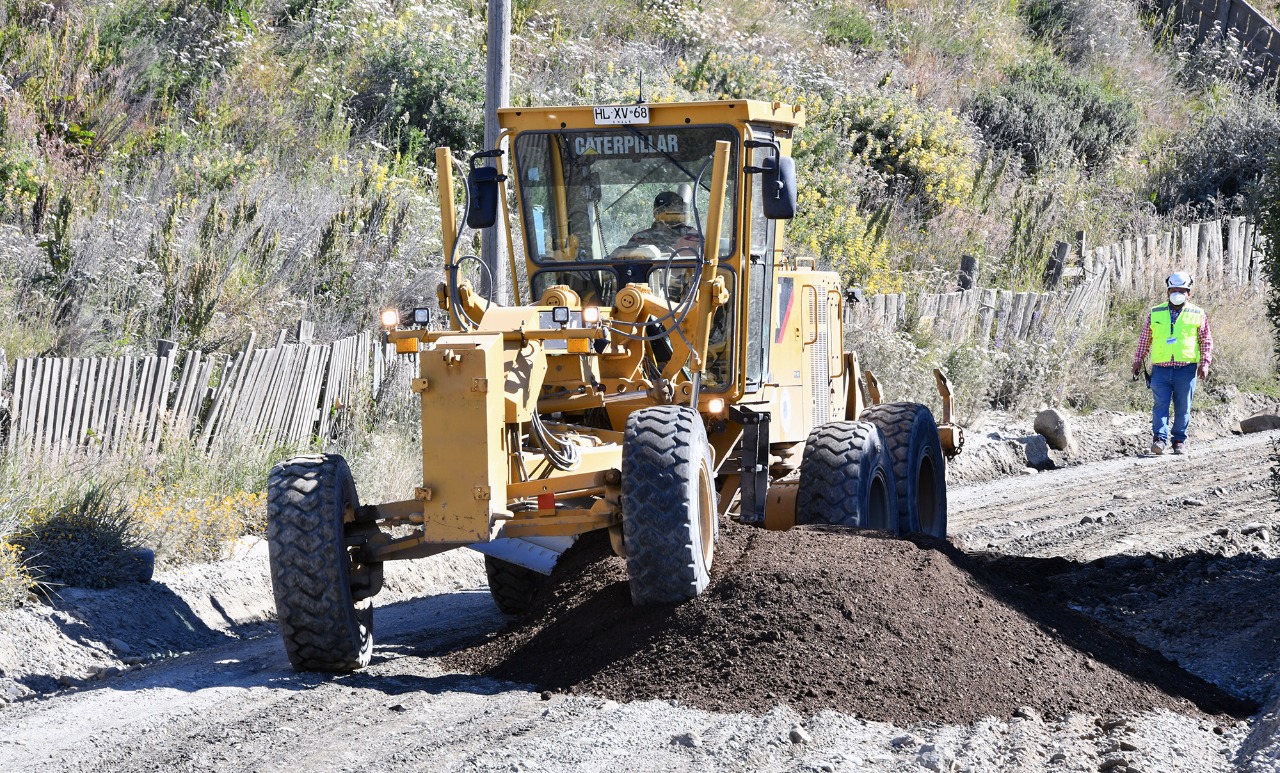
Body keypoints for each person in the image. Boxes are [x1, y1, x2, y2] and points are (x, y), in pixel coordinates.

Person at [1131, 271, 1213, 455]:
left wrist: (1204, 363)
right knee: (1160, 405)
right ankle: (1159, 440)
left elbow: (1205, 340)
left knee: (1183, 407)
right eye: (1174, 290)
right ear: (1168, 292)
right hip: (1161, 369)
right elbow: (1145, 338)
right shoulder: (1156, 312)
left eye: (1182, 290)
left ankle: (1178, 441)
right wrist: (1138, 360)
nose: (1177, 293)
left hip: (1186, 369)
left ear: (1189, 293)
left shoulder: (1197, 313)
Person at [617, 191, 700, 255]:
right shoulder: (639, 239)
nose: (671, 216)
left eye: (676, 211)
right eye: (663, 211)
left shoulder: (693, 236)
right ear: (655, 212)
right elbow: (628, 264)